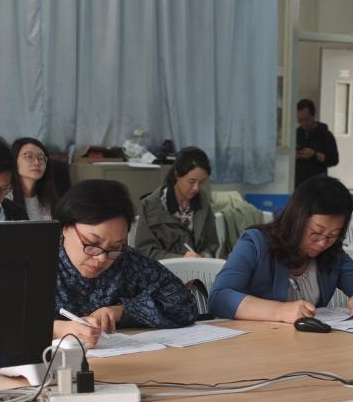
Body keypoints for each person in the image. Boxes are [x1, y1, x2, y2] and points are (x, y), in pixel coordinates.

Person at [209, 175, 353, 322]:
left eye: (332, 236)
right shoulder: (255, 243)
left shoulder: (331, 254)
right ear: (298, 219)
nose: (322, 243)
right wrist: (280, 311)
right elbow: (219, 297)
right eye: (316, 232)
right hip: (257, 343)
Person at [51, 179, 196, 347]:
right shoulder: (36, 261)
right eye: (92, 243)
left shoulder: (126, 261)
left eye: (115, 246)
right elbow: (21, 324)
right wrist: (56, 329)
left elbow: (185, 304)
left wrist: (122, 310)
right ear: (65, 227)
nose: (102, 258)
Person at [134, 148, 220, 260]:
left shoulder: (203, 203)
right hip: (162, 269)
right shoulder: (150, 206)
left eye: (202, 182)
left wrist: (204, 256)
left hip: (197, 267)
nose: (196, 188)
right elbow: (145, 251)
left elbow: (211, 244)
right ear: (177, 175)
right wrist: (181, 259)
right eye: (192, 181)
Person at [11, 136, 60, 221]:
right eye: (29, 156)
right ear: (14, 160)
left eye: (41, 158)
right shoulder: (4, 198)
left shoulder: (49, 199)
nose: (37, 162)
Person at [294, 98, 339, 184]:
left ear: (313, 116)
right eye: (300, 120)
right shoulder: (297, 133)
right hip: (298, 181)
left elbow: (334, 160)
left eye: (306, 119)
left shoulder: (325, 135)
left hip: (317, 182)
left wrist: (314, 155)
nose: (303, 123)